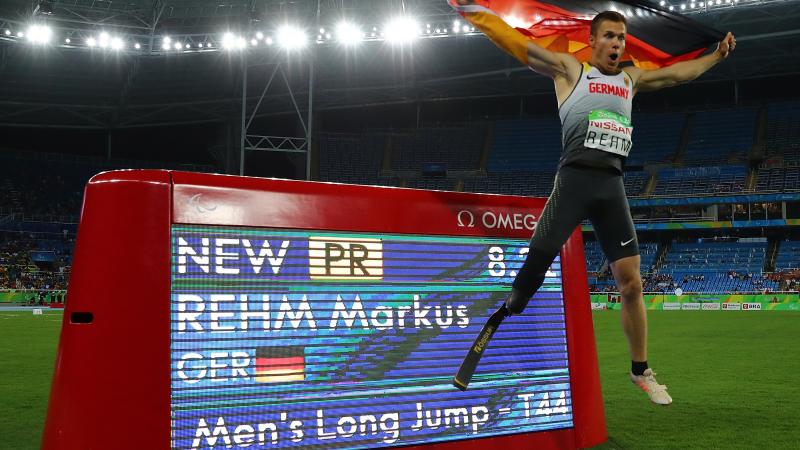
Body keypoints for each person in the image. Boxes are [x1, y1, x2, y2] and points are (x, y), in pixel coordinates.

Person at [455, 0, 736, 406]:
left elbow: (678, 75)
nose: (617, 43)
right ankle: (503, 315)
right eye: (609, 35)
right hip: (573, 182)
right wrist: (473, 12)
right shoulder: (571, 71)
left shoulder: (630, 79)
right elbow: (517, 45)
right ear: (591, 41)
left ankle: (641, 370)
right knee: (529, 279)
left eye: (621, 37)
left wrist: (716, 57)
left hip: (611, 187)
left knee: (633, 283)